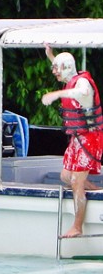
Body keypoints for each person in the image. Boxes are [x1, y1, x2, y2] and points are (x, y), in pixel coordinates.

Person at [42, 45, 103, 237]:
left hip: (91, 138)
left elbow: (82, 93)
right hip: (78, 137)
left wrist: (56, 94)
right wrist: (50, 55)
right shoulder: (71, 79)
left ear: (67, 67)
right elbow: (61, 67)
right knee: (66, 177)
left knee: (76, 181)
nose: (54, 72)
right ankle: (96, 190)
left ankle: (77, 226)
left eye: (57, 68)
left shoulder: (83, 82)